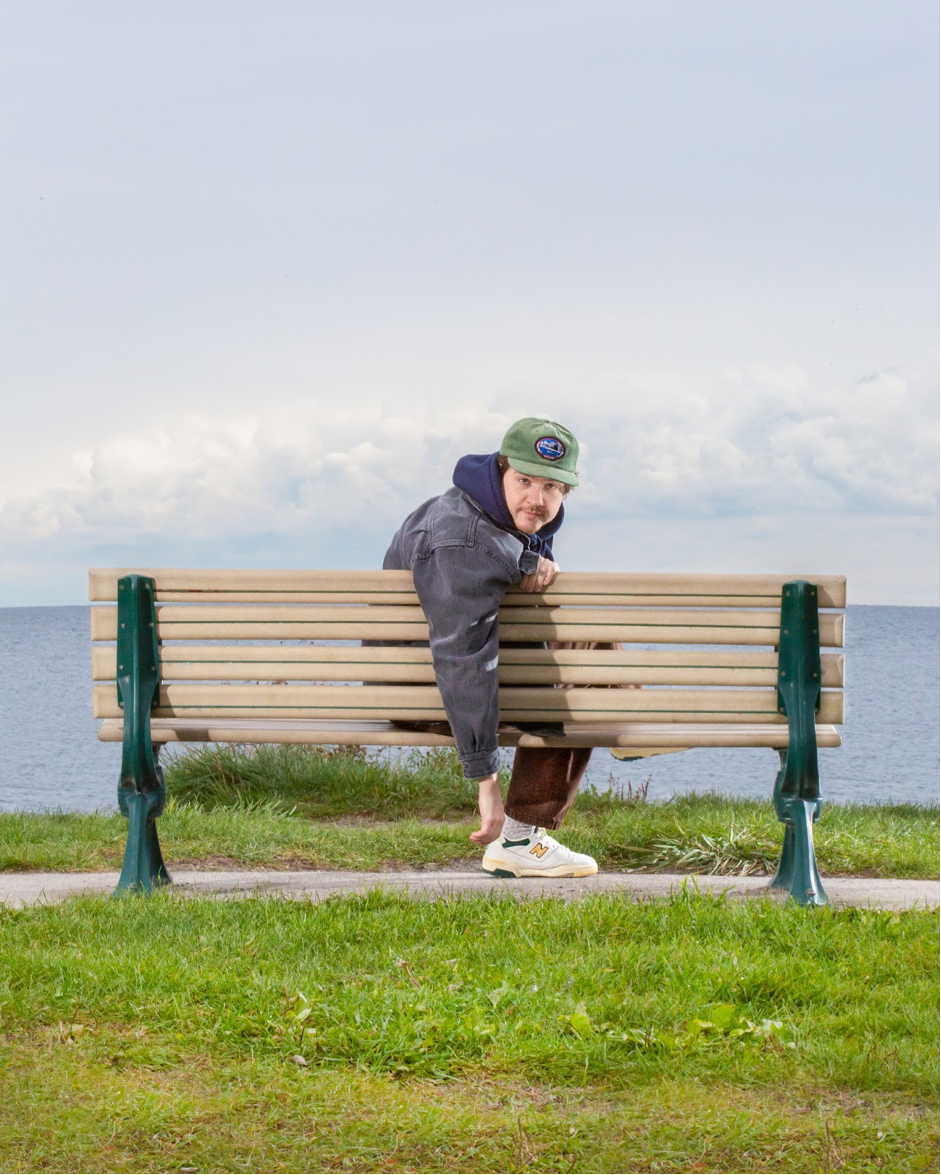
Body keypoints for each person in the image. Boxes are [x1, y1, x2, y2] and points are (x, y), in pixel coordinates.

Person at [381, 417, 599, 878]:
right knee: (576, 685)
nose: (536, 500)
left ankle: (626, 714)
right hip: (424, 694)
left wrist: (531, 557)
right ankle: (520, 838)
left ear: (566, 493)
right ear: (501, 470)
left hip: (432, 679)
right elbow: (462, 659)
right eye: (524, 481)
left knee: (587, 640)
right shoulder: (460, 537)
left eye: (552, 488)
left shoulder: (481, 510)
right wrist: (486, 781)